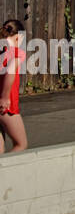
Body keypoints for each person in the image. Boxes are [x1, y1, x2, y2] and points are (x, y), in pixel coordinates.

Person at [0, 19, 28, 154]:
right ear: (19, 36)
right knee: (21, 144)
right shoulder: (16, 52)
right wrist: (5, 97)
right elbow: (10, 71)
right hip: (7, 107)